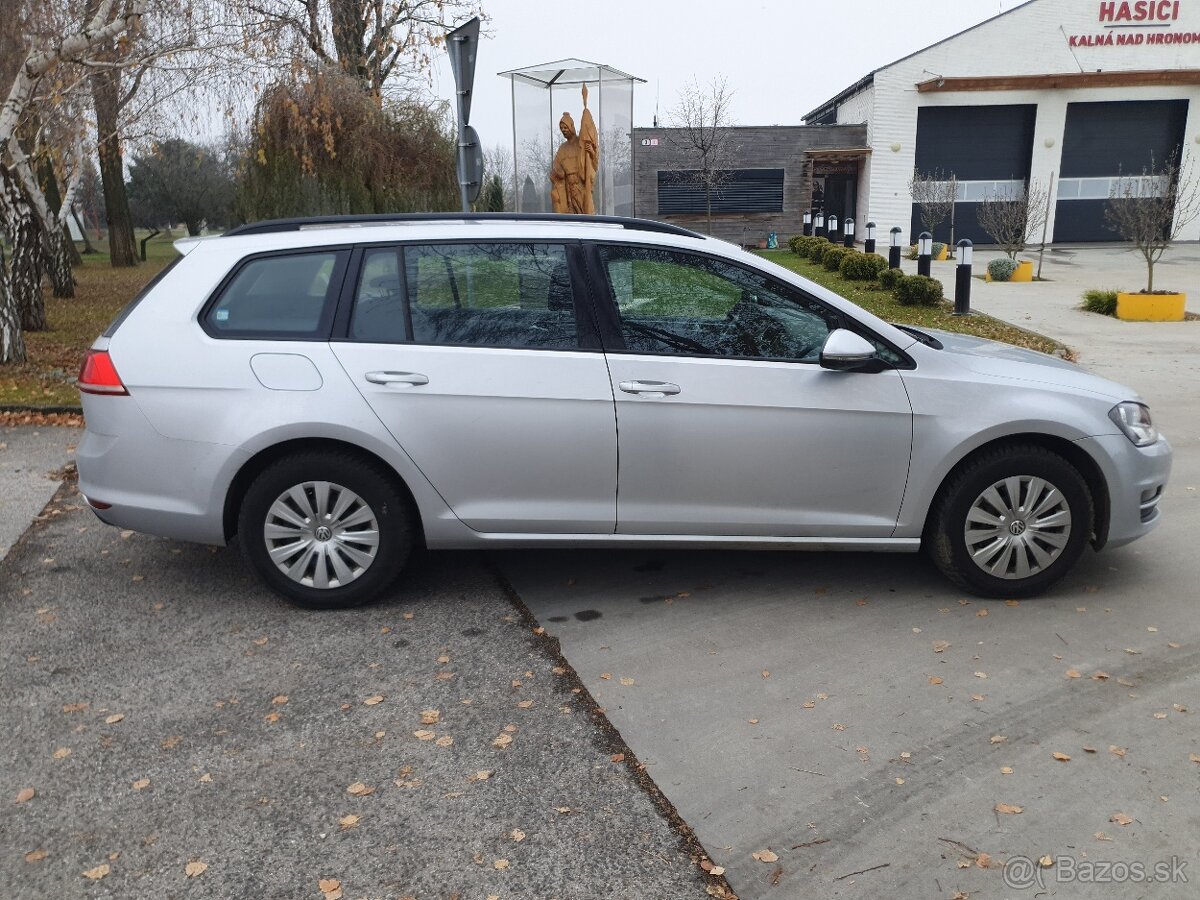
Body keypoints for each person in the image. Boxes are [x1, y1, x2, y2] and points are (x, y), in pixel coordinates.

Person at [550, 84, 598, 214]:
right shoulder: (562, 149)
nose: (564, 130)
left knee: (586, 215)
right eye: (562, 129)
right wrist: (558, 174)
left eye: (565, 127)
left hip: (582, 188)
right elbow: (556, 170)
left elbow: (593, 164)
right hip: (568, 190)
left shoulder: (580, 142)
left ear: (571, 126)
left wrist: (592, 152)